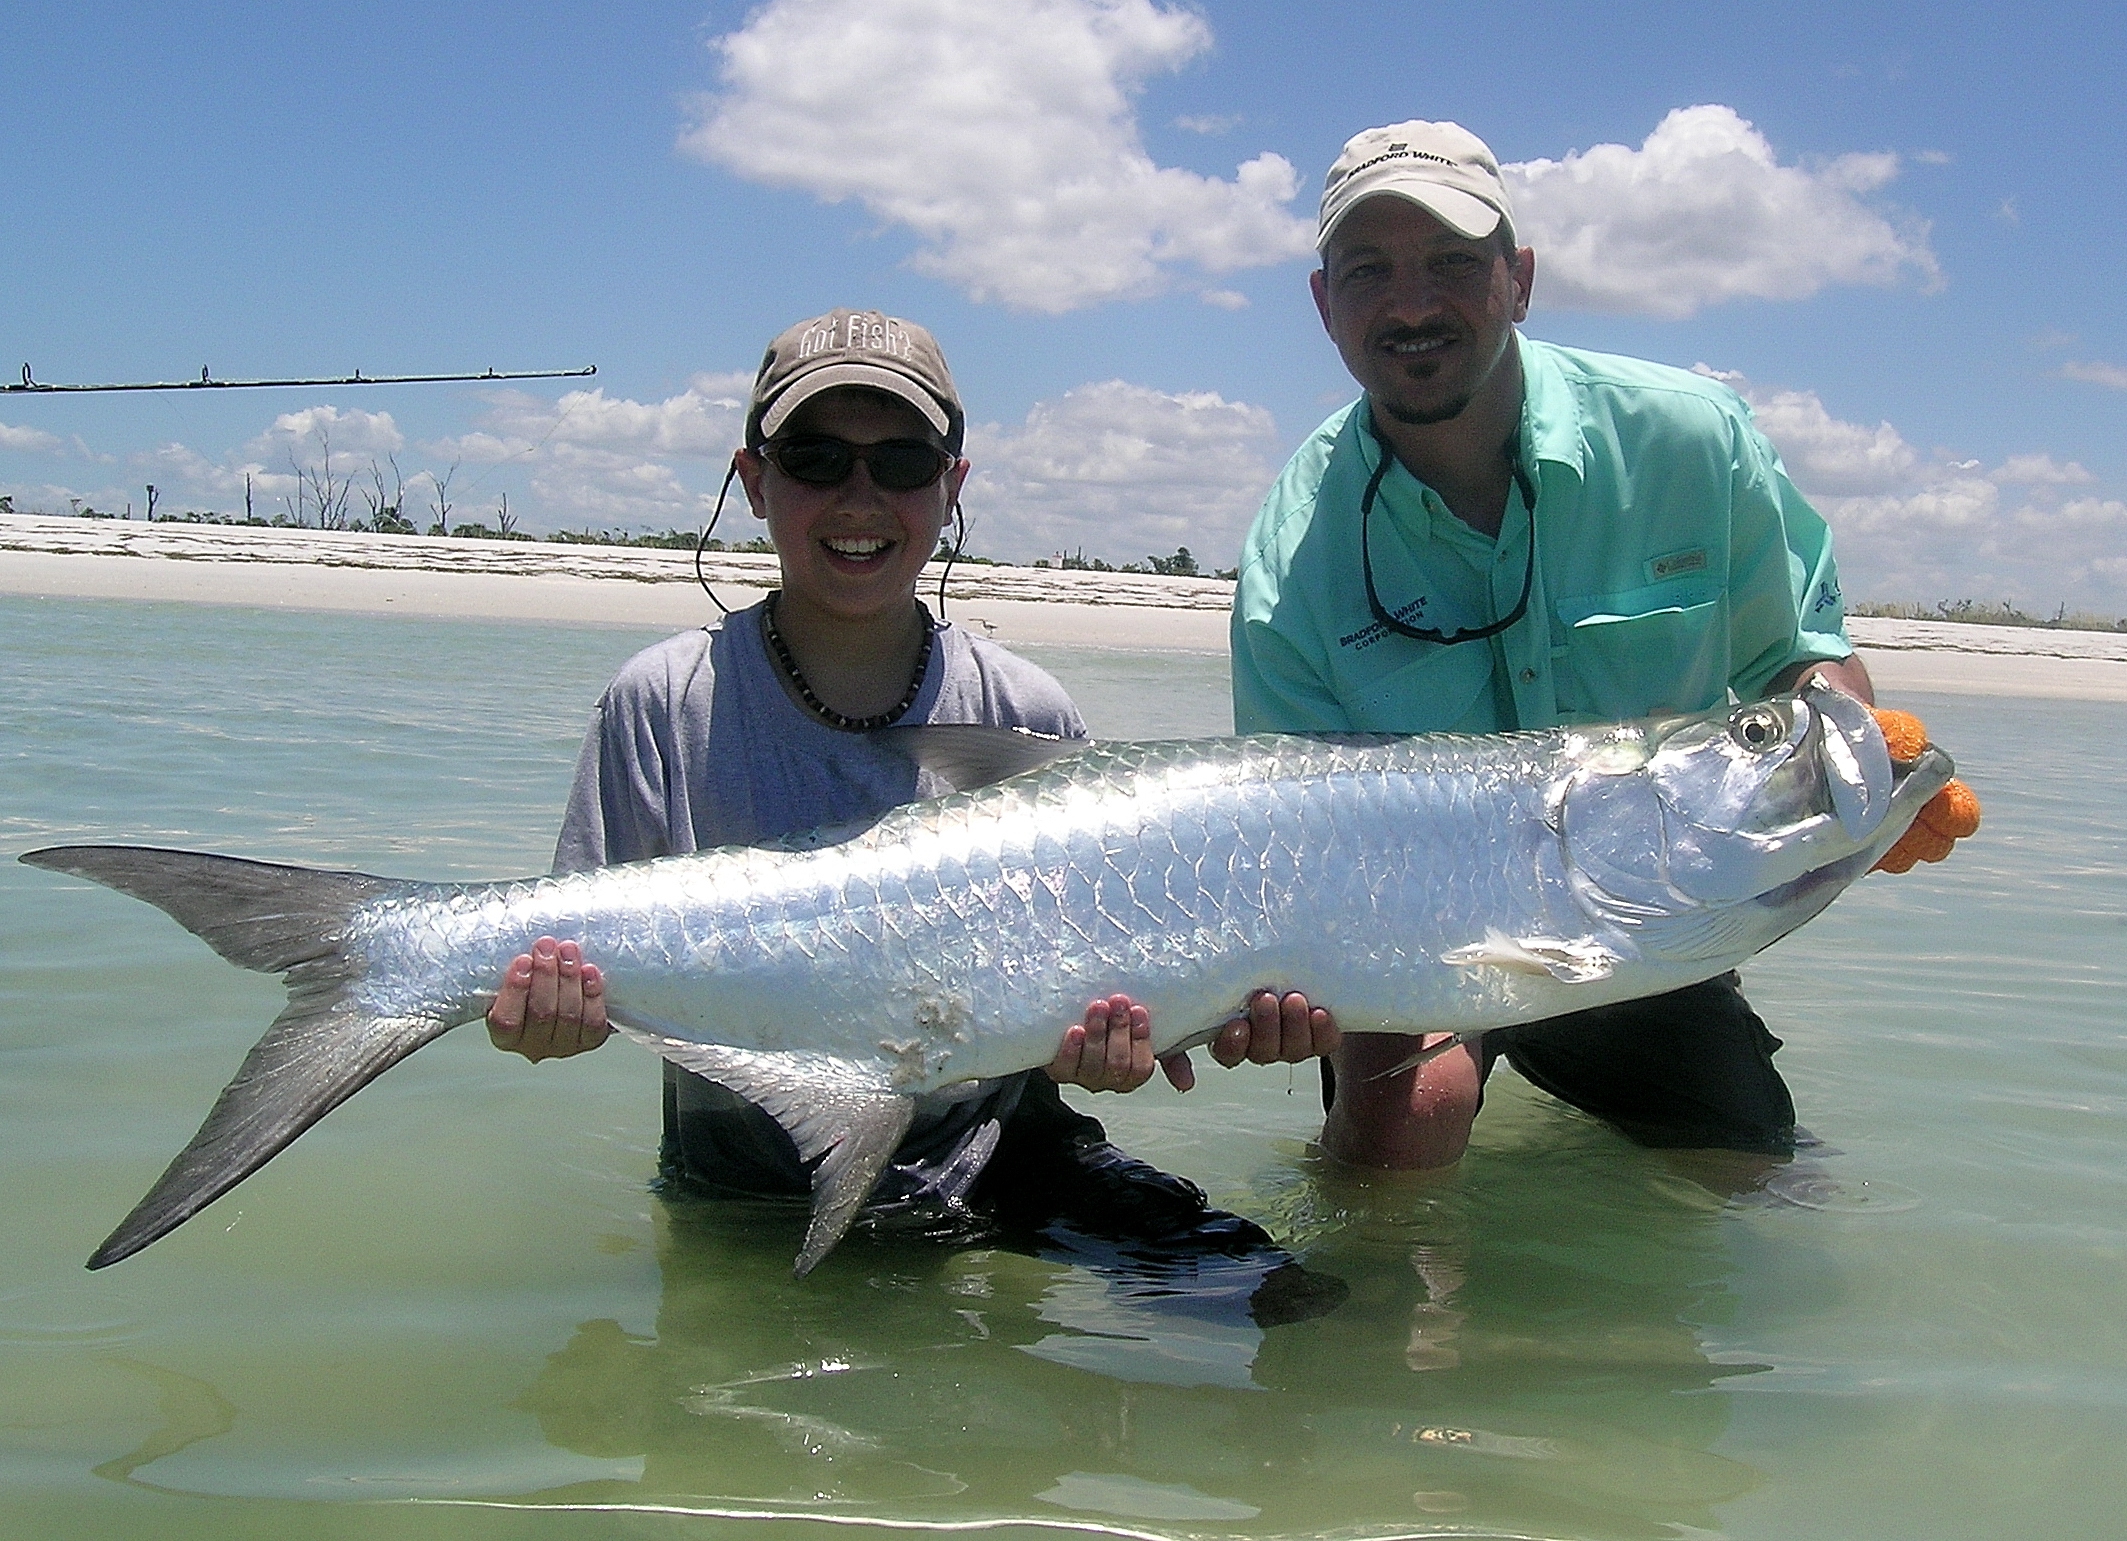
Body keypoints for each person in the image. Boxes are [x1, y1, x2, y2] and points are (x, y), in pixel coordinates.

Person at [483, 307, 1319, 1252]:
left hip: (1002, 1163)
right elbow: (580, 978)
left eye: (902, 462)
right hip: (742, 1192)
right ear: (752, 479)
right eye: (815, 457)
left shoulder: (1026, 712)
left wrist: (1133, 1045)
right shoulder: (661, 704)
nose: (858, 495)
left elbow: (1100, 997)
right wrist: (543, 1018)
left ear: (952, 485)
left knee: (1278, 1294)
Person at [1229, 121, 1880, 1172]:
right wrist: (1267, 990)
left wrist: (1866, 736)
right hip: (1413, 942)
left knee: (1751, 1158)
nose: (1411, 304)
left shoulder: (1694, 442)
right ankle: (1357, 1309)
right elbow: (1284, 832)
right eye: (1369, 273)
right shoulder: (1292, 547)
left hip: (1649, 920)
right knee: (1408, 1119)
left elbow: (1800, 660)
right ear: (1323, 305)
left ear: (1519, 279)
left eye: (1451, 263)